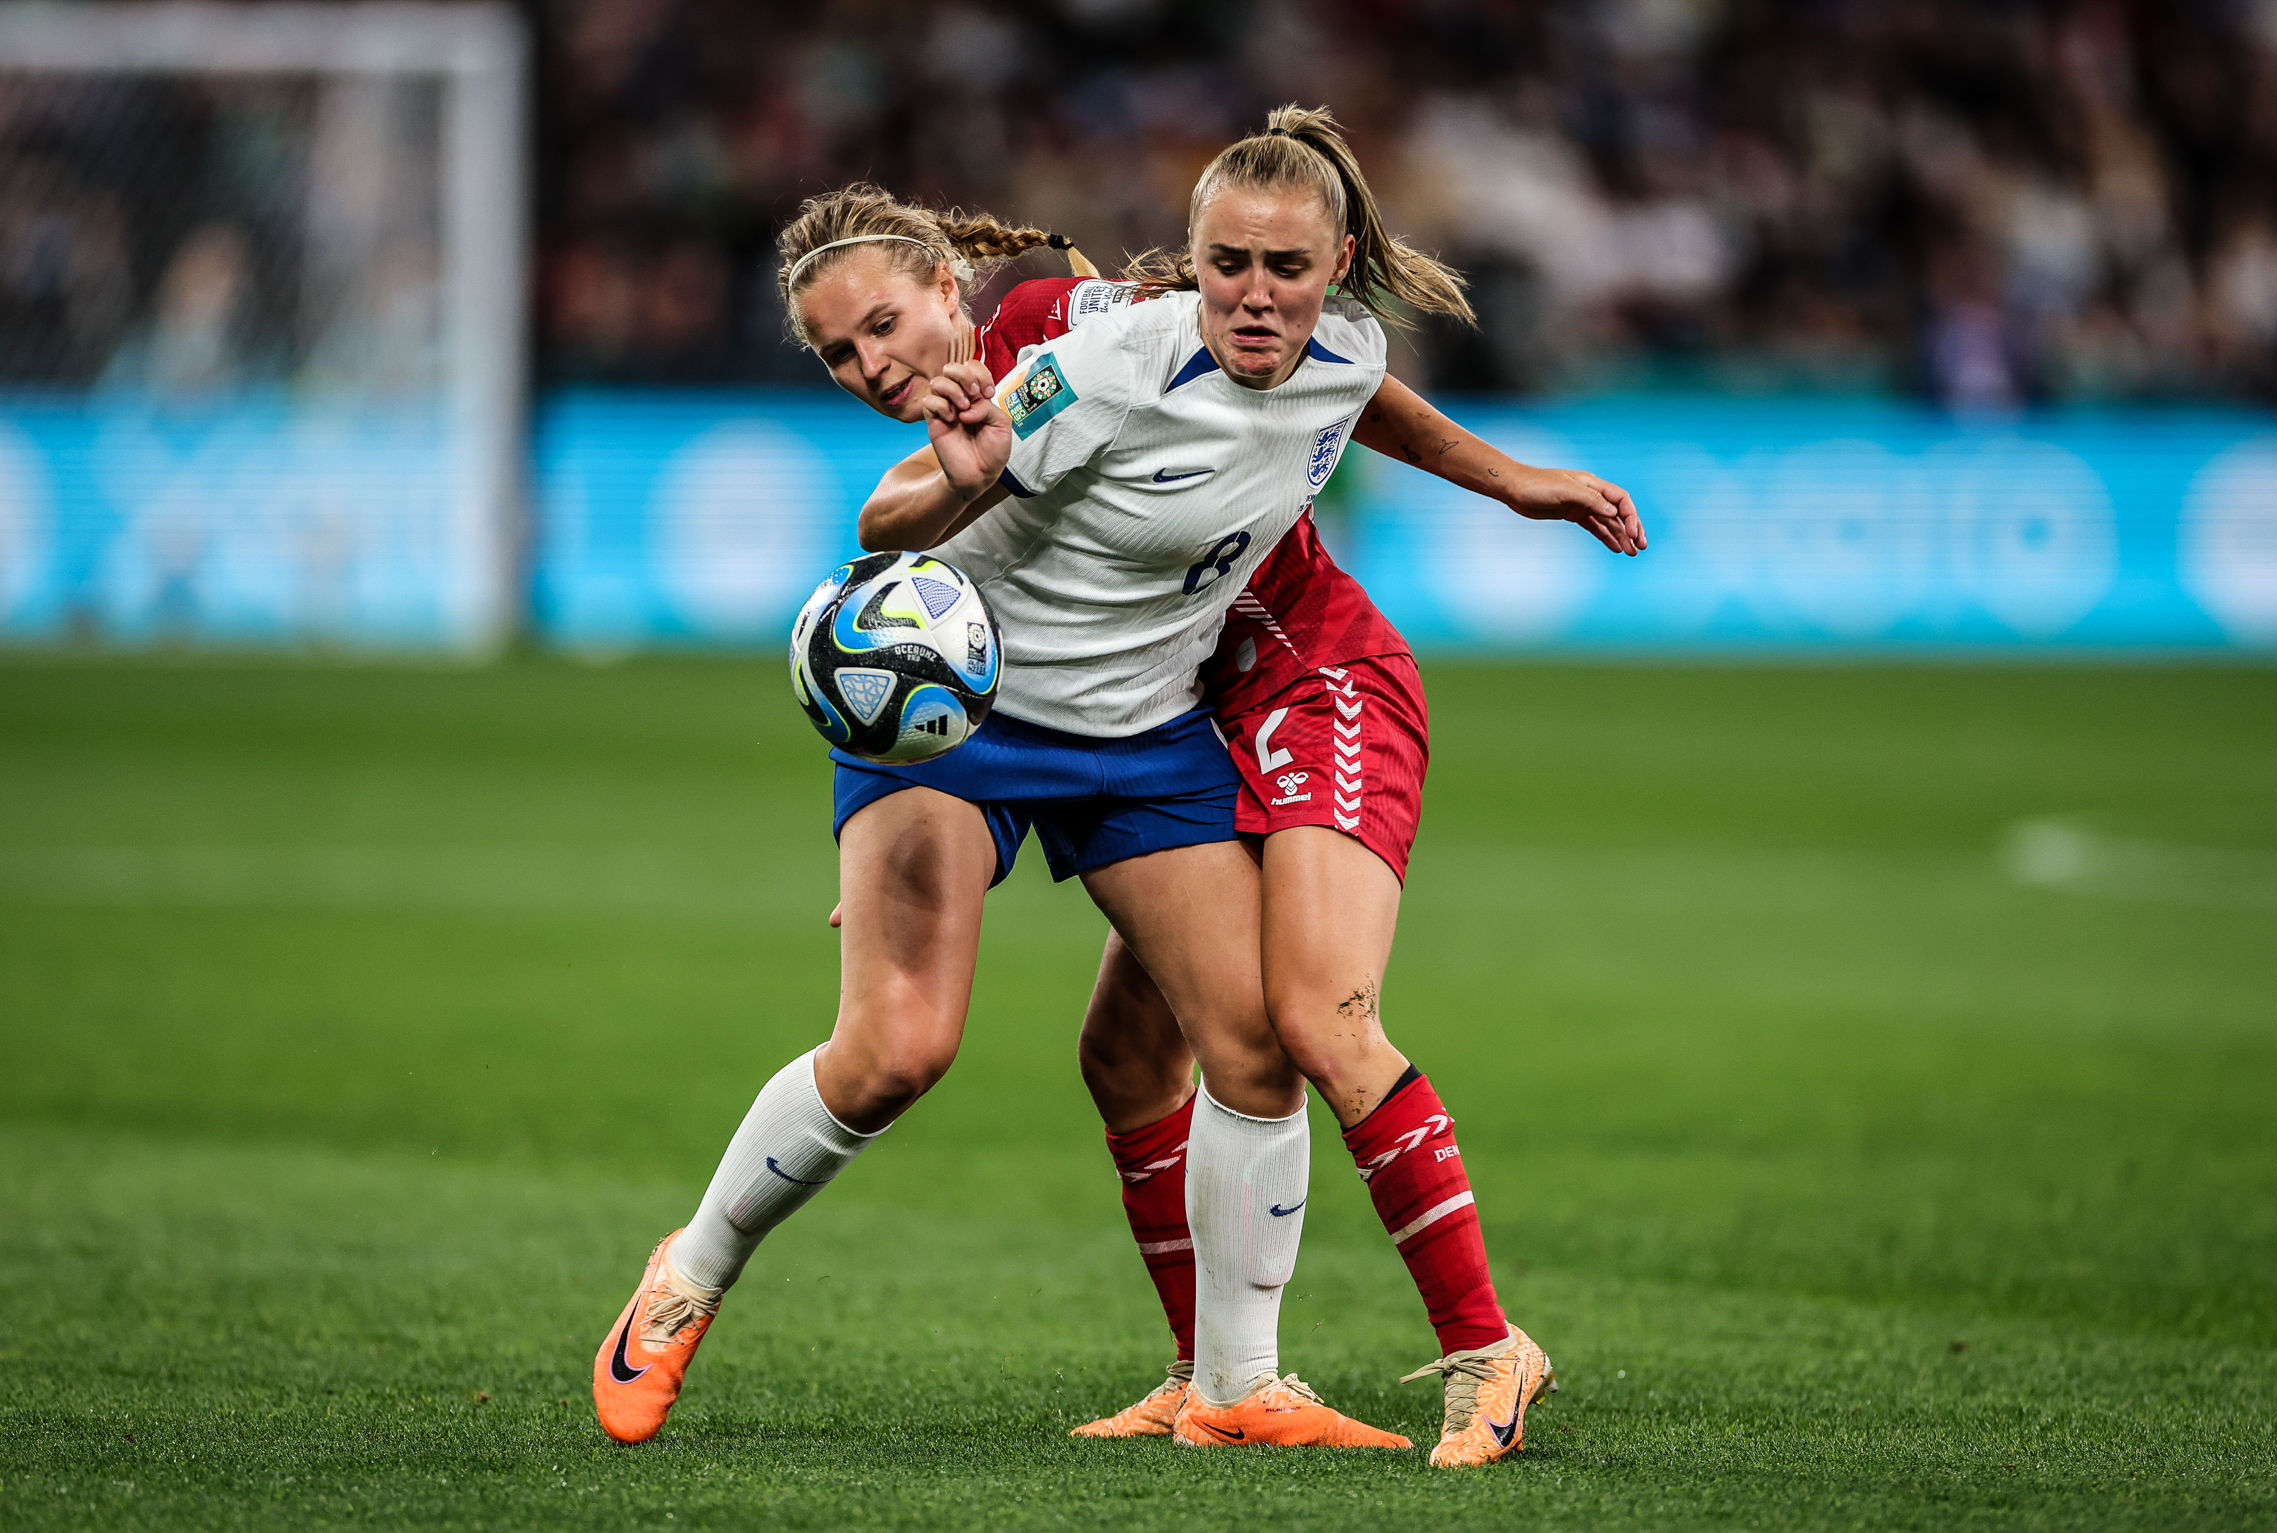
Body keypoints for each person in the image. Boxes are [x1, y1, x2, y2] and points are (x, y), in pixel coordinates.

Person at [592, 113, 1498, 1452]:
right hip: (950, 718)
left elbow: (1328, 371)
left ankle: (1237, 1385)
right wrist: (953, 483)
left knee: (1250, 1040)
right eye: (840, 353)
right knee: (900, 1048)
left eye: (886, 326)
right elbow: (881, 520)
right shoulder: (968, 404)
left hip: (1137, 730)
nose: (871, 364)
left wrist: (1511, 482)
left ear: (946, 288)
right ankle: (686, 1275)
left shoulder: (1071, 325)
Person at [825, 106, 1644, 1464]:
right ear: (1187, 263)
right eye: (1228, 265)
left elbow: (1355, 384)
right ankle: (1209, 1372)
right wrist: (915, 844)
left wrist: (1517, 484)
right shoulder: (1106, 351)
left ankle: (1487, 1349)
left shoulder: (1119, 333)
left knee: (1317, 1020)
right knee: (1126, 1054)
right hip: (1185, 707)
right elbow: (955, 585)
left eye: (1287, 268)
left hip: (1308, 677)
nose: (882, 363)